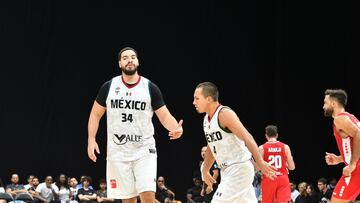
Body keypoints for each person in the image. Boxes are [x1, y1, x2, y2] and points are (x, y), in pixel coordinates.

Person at [87, 47, 183, 203]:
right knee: (128, 200)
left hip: (144, 150)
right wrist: (91, 139)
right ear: (120, 63)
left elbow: (164, 115)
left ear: (137, 61)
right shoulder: (109, 87)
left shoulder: (150, 87)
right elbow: (95, 114)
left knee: (148, 196)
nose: (129, 60)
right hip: (118, 151)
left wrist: (176, 128)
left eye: (133, 57)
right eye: (125, 58)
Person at [192, 82, 277, 202]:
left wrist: (260, 161)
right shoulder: (206, 119)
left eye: (197, 98)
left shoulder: (224, 114)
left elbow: (247, 137)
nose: (194, 102)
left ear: (209, 99)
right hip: (227, 170)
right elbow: (211, 146)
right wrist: (205, 169)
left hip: (239, 167)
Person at [323, 89, 360, 202]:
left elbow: (359, 135)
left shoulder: (340, 119)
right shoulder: (349, 117)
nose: (323, 106)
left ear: (333, 104)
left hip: (357, 170)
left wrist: (353, 164)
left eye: (325, 102)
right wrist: (340, 159)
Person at [259, 125, 295, 203]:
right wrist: (284, 164)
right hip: (282, 178)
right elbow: (292, 167)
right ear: (277, 135)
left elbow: (259, 168)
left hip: (269, 178)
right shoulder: (285, 147)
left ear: (266, 135)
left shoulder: (261, 148)